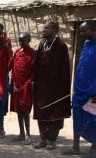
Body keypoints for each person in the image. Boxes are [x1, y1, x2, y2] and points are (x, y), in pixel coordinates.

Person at [33, 21, 71, 150]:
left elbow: (65, 69)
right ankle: (43, 139)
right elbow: (37, 64)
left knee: (55, 112)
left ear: (54, 30)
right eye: (43, 28)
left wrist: (63, 87)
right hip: (41, 86)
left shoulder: (61, 46)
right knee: (41, 111)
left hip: (56, 87)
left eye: (46, 28)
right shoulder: (42, 44)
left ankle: (52, 140)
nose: (43, 30)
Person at [62, 20, 96, 157]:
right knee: (77, 116)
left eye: (84, 31)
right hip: (80, 89)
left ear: (93, 30)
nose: (81, 34)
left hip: (93, 90)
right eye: (80, 31)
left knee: (94, 118)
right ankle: (75, 146)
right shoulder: (87, 44)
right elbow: (83, 65)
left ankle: (94, 149)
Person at [9, 33, 35, 145]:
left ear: (29, 40)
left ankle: (28, 135)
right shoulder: (17, 52)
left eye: (23, 40)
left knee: (25, 110)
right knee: (18, 110)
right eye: (19, 41)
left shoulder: (33, 54)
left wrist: (28, 83)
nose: (21, 43)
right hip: (16, 85)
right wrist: (12, 84)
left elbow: (34, 71)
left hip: (26, 86)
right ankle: (21, 134)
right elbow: (13, 68)